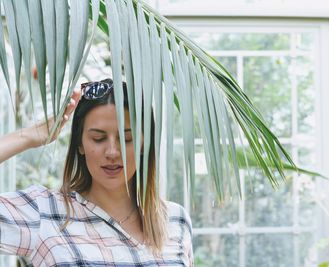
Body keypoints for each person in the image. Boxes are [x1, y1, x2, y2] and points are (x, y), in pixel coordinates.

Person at [0, 78, 193, 266]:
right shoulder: (44, 212)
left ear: (144, 144)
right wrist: (26, 136)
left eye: (126, 139)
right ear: (80, 144)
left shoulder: (175, 220)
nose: (112, 152)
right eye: (98, 138)